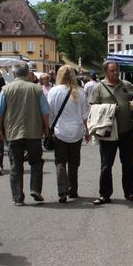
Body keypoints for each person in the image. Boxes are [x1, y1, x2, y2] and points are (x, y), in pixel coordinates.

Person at [0, 61, 50, 206]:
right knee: (36, 161)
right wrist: (46, 128)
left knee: (16, 165)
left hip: (13, 132)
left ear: (14, 74)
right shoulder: (37, 89)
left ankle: (18, 197)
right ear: (28, 73)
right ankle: (35, 189)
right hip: (34, 131)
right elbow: (45, 112)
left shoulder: (6, 89)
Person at [89, 60, 133, 205]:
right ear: (106, 72)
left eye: (117, 70)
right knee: (106, 165)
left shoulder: (126, 85)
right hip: (108, 132)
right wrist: (109, 108)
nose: (116, 73)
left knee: (129, 163)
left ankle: (130, 193)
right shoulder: (99, 87)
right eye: (112, 71)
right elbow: (92, 107)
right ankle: (104, 195)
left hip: (126, 131)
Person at [47, 65, 90, 203]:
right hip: (77, 132)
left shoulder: (53, 91)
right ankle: (73, 189)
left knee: (60, 162)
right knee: (74, 162)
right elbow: (85, 115)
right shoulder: (81, 92)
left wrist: (47, 130)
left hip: (60, 132)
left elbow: (50, 113)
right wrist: (87, 131)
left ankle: (62, 192)